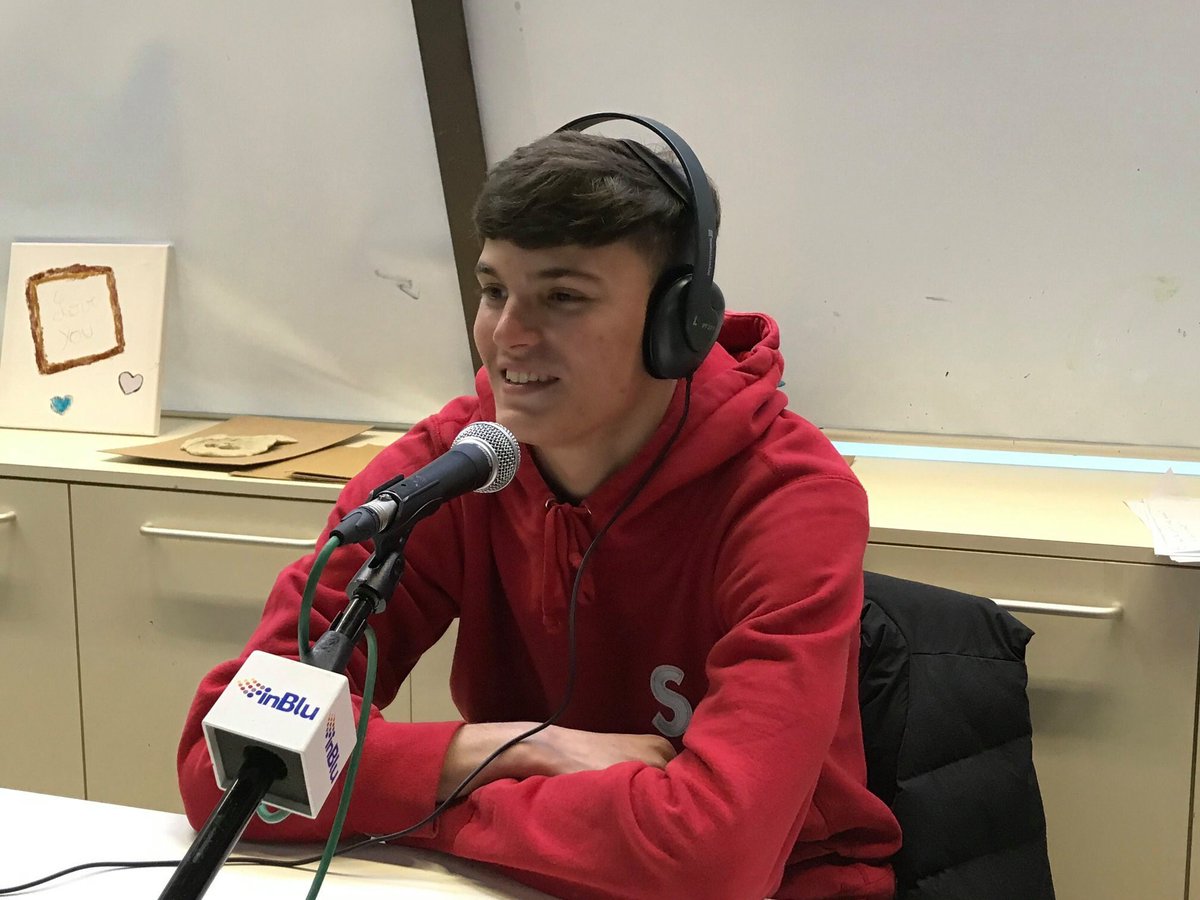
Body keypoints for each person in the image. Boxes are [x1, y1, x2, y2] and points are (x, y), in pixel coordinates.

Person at [177, 115, 903, 900]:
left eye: (562, 297)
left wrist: (422, 795)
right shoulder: (453, 466)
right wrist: (504, 750)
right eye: (494, 290)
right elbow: (225, 771)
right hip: (525, 878)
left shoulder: (789, 498)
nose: (508, 335)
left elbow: (713, 862)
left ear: (677, 324)